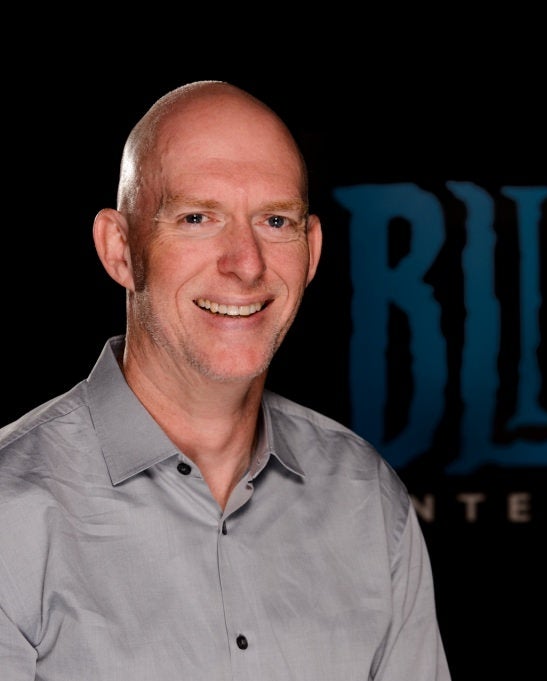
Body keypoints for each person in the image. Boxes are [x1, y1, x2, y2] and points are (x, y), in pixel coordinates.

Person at [0, 80, 451, 680]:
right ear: (120, 249)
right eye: (197, 217)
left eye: (275, 220)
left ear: (312, 251)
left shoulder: (367, 499)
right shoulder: (10, 515)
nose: (246, 263)